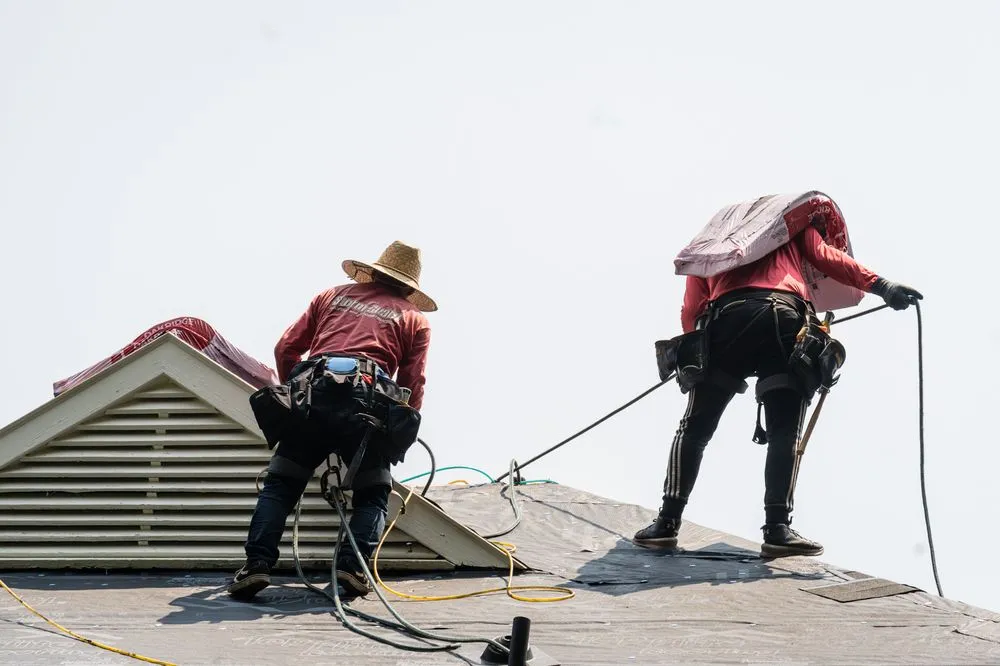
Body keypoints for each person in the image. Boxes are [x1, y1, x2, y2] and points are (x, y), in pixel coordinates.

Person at [634, 218, 921, 557]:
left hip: (727, 324)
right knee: (785, 431)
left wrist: (698, 354)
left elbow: (692, 309)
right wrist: (883, 286)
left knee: (695, 427)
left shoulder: (710, 244)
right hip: (783, 322)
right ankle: (777, 529)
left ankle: (666, 524)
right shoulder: (791, 226)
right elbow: (827, 258)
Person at [228, 240, 435, 600]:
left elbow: (286, 348)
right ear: (408, 286)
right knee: (372, 492)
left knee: (282, 484)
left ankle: (256, 566)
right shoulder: (414, 319)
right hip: (369, 403)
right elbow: (412, 382)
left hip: (314, 391)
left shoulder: (331, 296)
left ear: (373, 271)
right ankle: (351, 570)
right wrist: (400, 426)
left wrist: (298, 392)